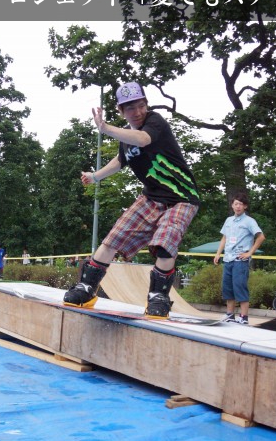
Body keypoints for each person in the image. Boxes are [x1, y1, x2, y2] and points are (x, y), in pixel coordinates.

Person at [63, 82, 200, 318]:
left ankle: (158, 297)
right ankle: (87, 288)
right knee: (113, 238)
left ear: (146, 104)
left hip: (182, 198)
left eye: (140, 106)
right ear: (121, 110)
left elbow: (144, 140)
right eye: (130, 109)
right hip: (151, 198)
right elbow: (120, 160)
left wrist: (105, 128)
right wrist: (95, 176)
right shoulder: (126, 139)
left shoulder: (154, 122)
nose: (137, 112)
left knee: (165, 242)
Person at [213, 192, 266, 325]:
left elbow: (261, 237)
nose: (238, 207)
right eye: (236, 204)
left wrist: (249, 253)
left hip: (240, 260)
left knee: (240, 287)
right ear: (232, 205)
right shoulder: (228, 220)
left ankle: (244, 317)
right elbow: (224, 237)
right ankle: (230, 315)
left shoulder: (249, 221)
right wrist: (218, 253)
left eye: (241, 204)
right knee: (228, 288)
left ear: (245, 207)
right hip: (228, 258)